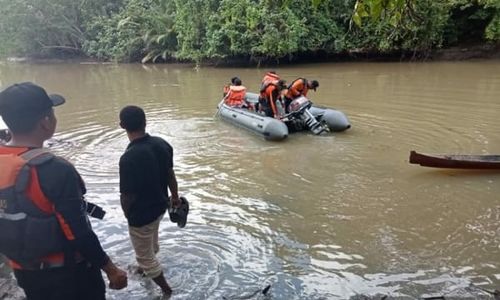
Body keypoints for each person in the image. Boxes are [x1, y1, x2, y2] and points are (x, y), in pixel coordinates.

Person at [0, 82, 127, 300]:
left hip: (24, 271)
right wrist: (111, 269)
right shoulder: (54, 169)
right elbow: (78, 231)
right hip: (69, 276)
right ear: (46, 122)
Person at [118, 105, 180, 298]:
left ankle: (166, 290)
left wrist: (128, 215)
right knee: (151, 240)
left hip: (141, 214)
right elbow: (170, 175)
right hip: (161, 205)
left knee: (144, 257)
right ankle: (148, 267)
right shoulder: (162, 144)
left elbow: (127, 195)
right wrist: (175, 197)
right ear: (145, 122)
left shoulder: (128, 158)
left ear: (122, 125)